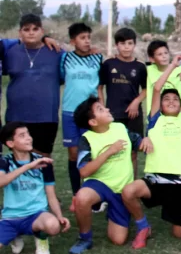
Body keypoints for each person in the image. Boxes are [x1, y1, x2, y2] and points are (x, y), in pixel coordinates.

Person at [122, 54, 181, 248]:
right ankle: (143, 226)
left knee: (179, 234)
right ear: (161, 105)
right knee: (129, 191)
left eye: (175, 99)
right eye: (167, 99)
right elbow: (156, 88)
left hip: (178, 183)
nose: (171, 101)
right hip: (155, 180)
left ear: (180, 106)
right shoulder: (155, 120)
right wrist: (172, 66)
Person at [68, 97, 153, 254]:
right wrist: (110, 151)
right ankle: (85, 238)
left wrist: (145, 139)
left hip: (121, 189)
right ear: (93, 122)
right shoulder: (86, 139)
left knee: (118, 240)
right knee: (82, 197)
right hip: (99, 184)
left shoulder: (120, 128)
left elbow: (138, 142)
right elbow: (84, 171)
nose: (107, 109)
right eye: (100, 109)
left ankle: (115, 213)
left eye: (104, 107)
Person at [0, 122, 70, 254]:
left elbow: (51, 194)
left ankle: (41, 240)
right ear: (10, 143)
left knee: (53, 226)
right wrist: (28, 166)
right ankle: (14, 236)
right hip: (11, 218)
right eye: (22, 135)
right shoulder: (5, 161)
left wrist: (60, 216)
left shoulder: (44, 162)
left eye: (28, 134)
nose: (29, 138)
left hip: (36, 215)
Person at [3, 14, 64, 156]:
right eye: (26, 29)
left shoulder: (57, 52)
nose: (31, 32)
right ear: (20, 33)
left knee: (42, 160)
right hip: (16, 116)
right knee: (19, 160)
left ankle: (47, 179)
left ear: (42, 31)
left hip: (46, 116)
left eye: (35, 29)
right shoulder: (10, 52)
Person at [60, 23, 103, 204]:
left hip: (89, 113)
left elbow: (100, 86)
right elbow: (61, 78)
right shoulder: (64, 58)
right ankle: (76, 194)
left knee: (92, 152)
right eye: (82, 38)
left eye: (88, 38)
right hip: (70, 112)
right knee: (73, 154)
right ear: (73, 41)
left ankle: (94, 194)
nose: (86, 41)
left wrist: (102, 107)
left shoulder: (97, 58)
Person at [98, 28, 148, 138]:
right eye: (122, 43)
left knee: (133, 149)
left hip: (133, 113)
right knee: (115, 146)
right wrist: (102, 107)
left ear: (134, 44)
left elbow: (146, 89)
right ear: (116, 45)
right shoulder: (108, 64)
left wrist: (136, 102)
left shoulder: (140, 66)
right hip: (113, 113)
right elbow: (99, 87)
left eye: (130, 43)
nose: (126, 47)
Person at [146, 40, 181, 114]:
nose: (164, 56)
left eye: (166, 53)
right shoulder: (148, 71)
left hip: (179, 116)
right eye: (160, 54)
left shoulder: (180, 70)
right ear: (152, 59)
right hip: (156, 118)